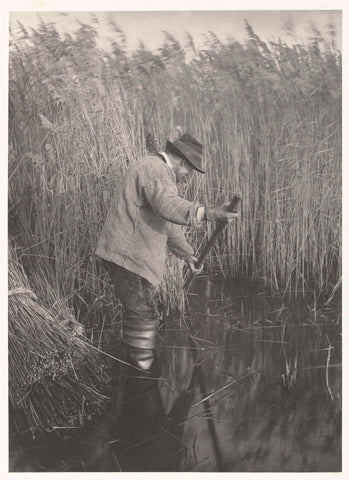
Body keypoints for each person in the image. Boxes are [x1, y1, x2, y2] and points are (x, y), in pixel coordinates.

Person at [95, 133, 238, 376]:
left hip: (130, 259)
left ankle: (130, 370)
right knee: (145, 316)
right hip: (128, 258)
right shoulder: (155, 169)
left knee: (141, 313)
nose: (187, 176)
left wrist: (188, 255)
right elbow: (168, 206)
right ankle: (141, 381)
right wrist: (210, 213)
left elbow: (168, 221)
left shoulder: (156, 172)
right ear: (183, 162)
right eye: (190, 171)